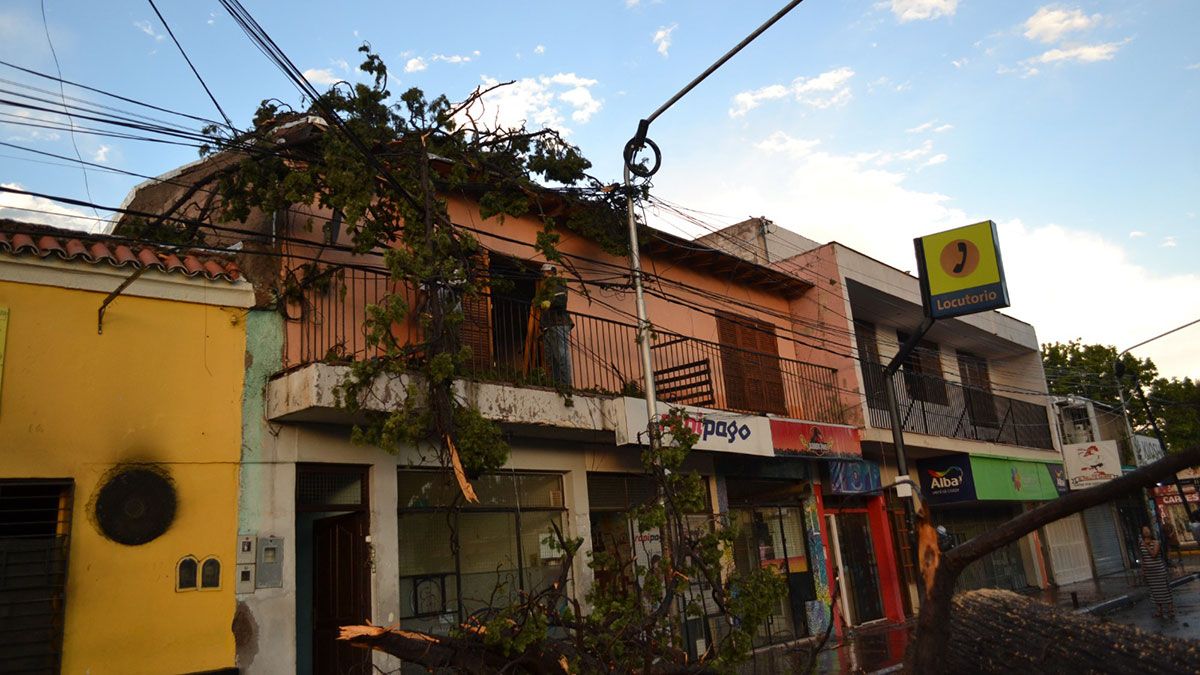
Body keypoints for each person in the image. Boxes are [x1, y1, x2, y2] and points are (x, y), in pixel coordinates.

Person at [1140, 525, 1175, 619]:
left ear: (1150, 532)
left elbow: (1154, 554)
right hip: (1150, 573)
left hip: (1159, 571)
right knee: (1154, 592)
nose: (1146, 531)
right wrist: (1143, 570)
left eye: (1147, 530)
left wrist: (1146, 546)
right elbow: (1143, 558)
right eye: (1144, 530)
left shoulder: (1156, 542)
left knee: (1164, 590)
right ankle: (1159, 610)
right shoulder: (1141, 544)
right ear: (1142, 533)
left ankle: (1170, 610)